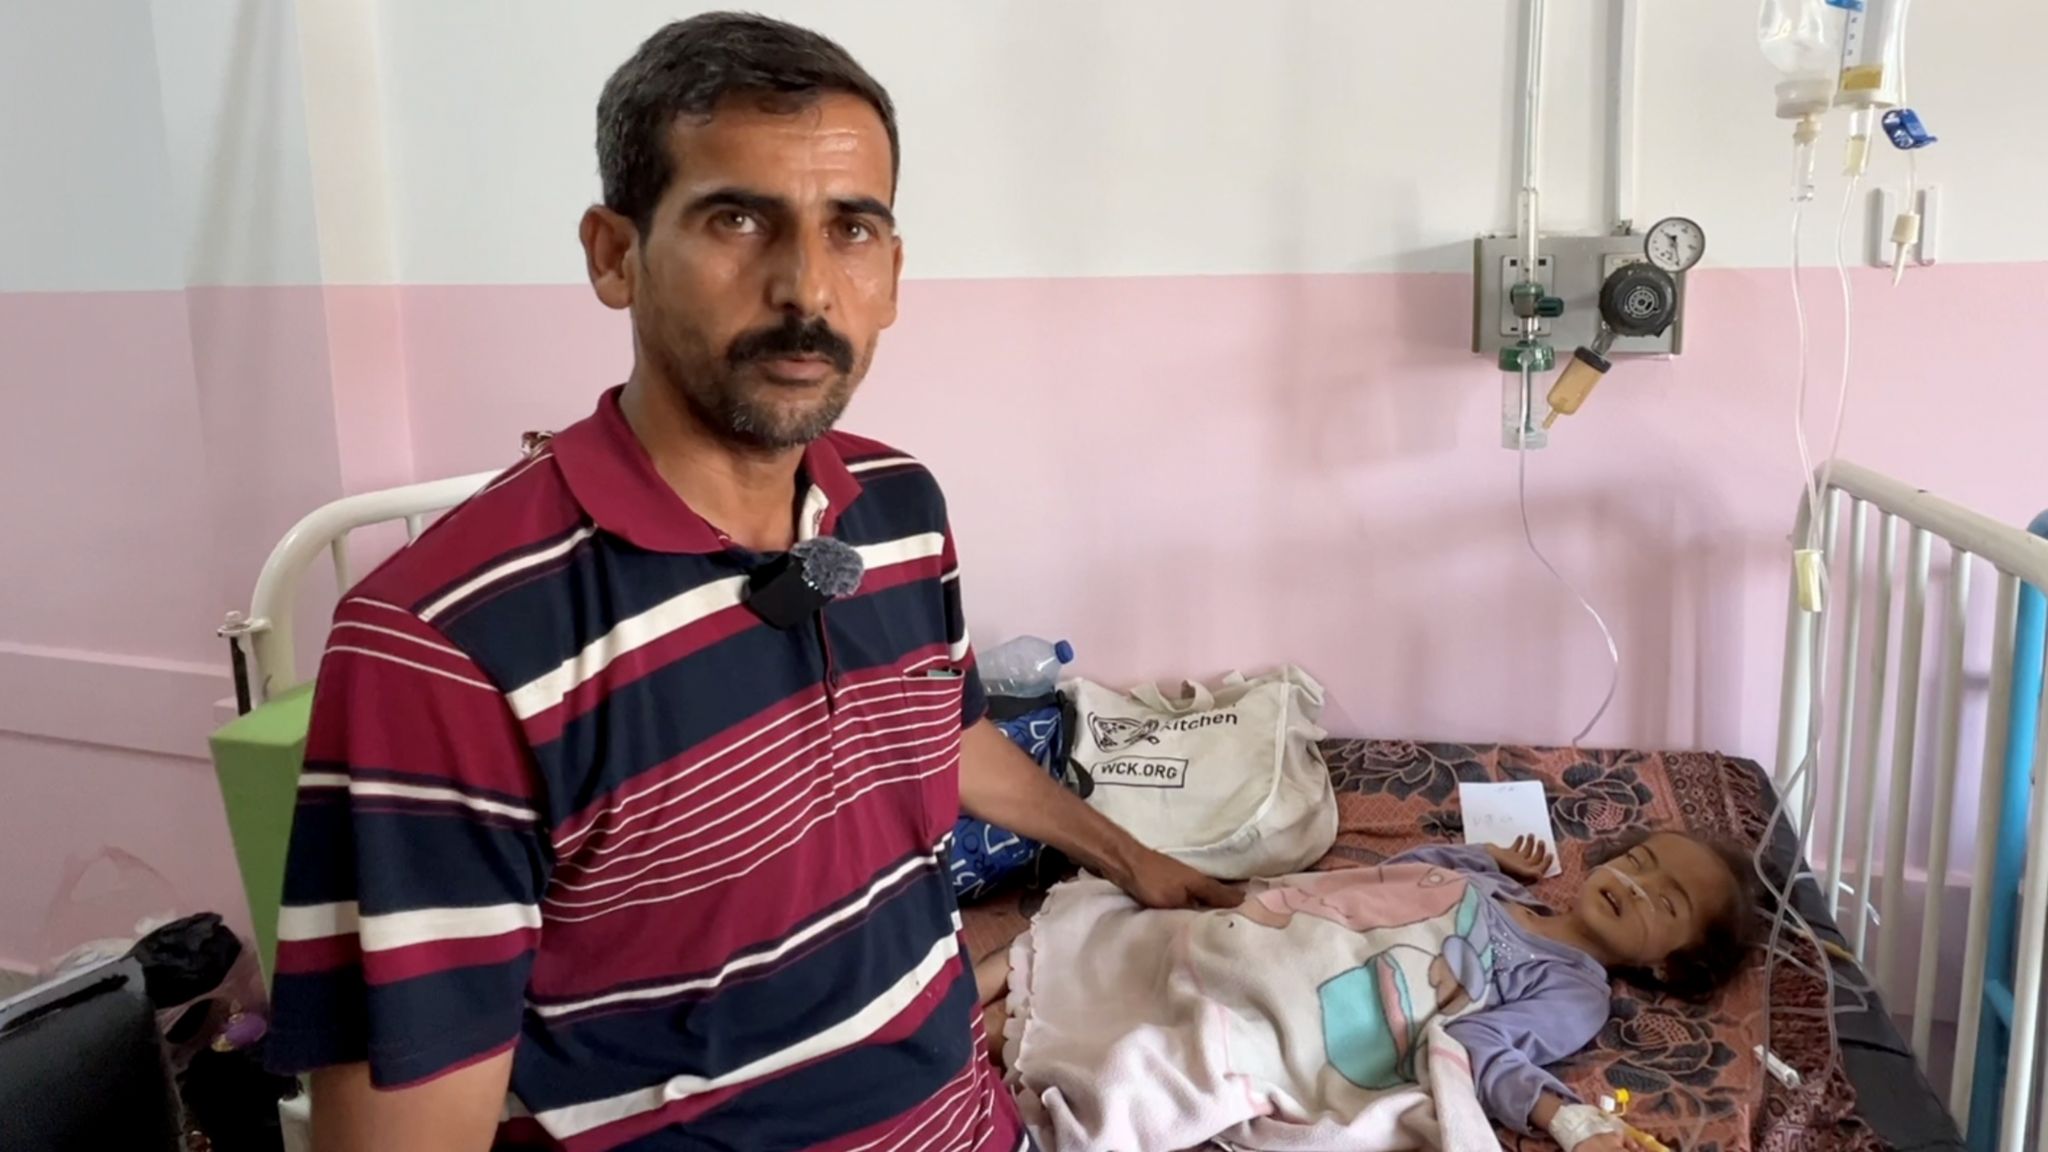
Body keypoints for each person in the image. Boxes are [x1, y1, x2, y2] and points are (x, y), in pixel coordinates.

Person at [264, 14, 1239, 1151]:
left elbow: (938, 731)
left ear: (892, 273)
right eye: (736, 218)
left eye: (851, 229)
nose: (805, 290)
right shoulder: (445, 644)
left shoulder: (900, 509)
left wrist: (1132, 860)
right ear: (613, 254)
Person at [979, 830, 1757, 1152]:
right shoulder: (1502, 886)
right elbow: (1397, 879)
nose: (1638, 884)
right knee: (1131, 927)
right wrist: (1480, 855)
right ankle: (949, 1002)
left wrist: (1572, 1121)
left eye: (1669, 902)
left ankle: (948, 1050)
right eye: (1644, 861)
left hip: (1313, 1001)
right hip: (1284, 934)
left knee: (1160, 1028)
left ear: (1670, 966)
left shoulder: (1576, 987)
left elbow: (1481, 1048)